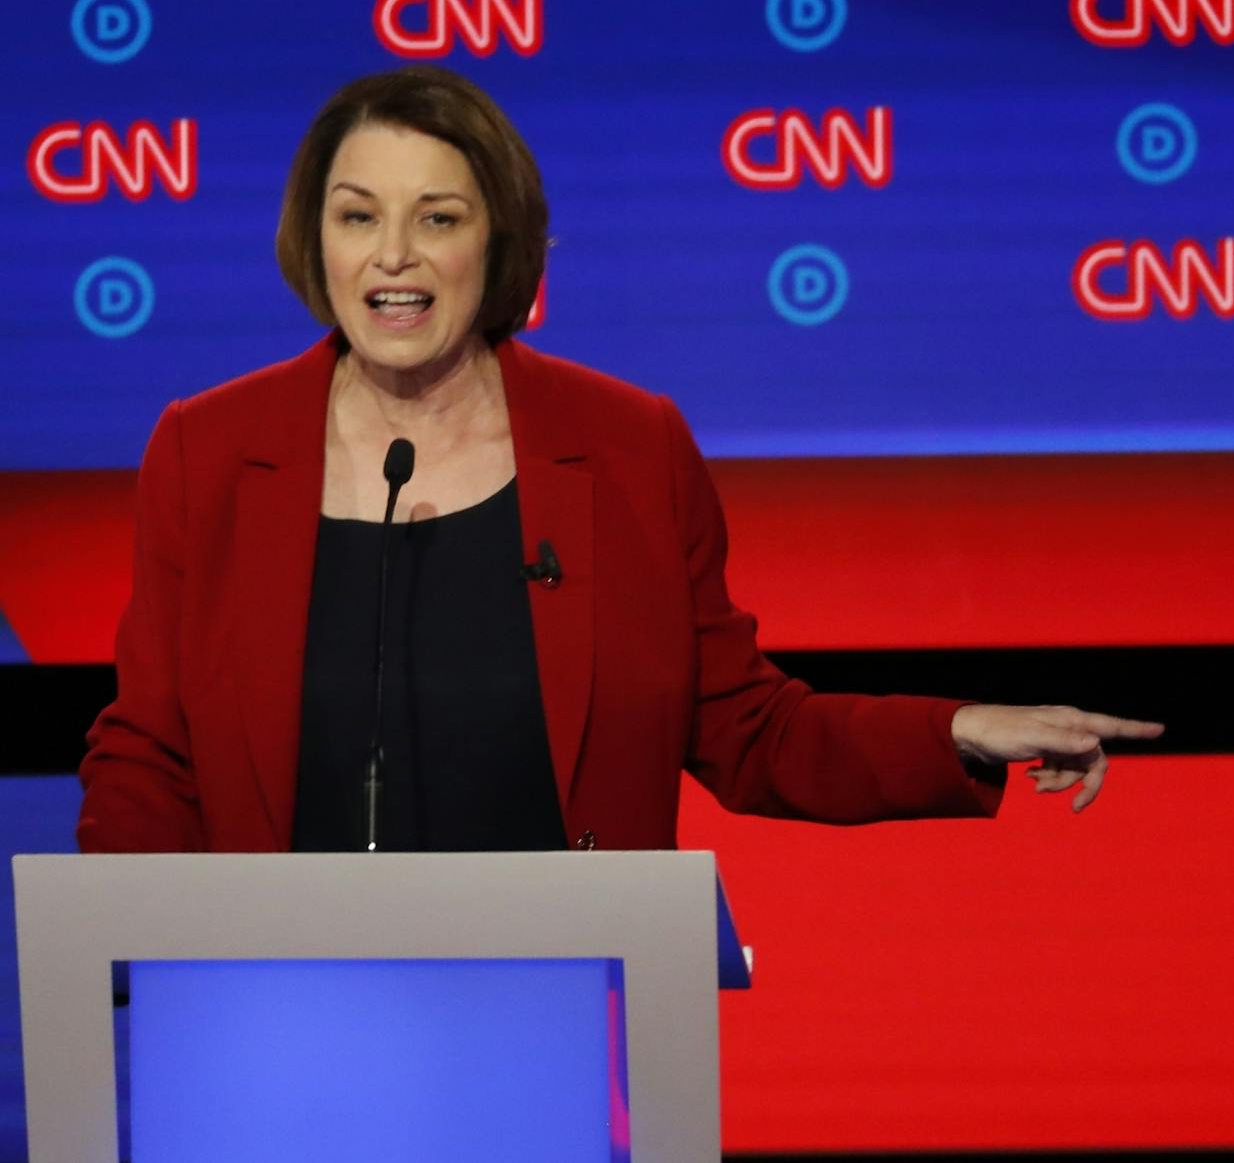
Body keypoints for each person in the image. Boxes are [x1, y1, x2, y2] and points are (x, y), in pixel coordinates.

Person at [77, 65, 1161, 856]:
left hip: (547, 1002)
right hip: (267, 1010)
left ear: (496, 242)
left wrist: (956, 732)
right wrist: (132, 950)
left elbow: (743, 726)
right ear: (314, 241)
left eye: (437, 217)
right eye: (357, 216)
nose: (393, 254)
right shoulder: (209, 451)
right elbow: (148, 748)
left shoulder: (628, 447)